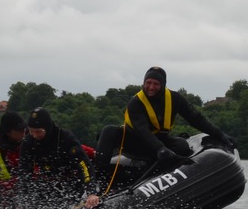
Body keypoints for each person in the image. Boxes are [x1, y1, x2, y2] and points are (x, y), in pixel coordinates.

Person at [94, 66, 236, 175]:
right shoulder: (136, 103)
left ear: (163, 85)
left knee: (182, 145)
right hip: (134, 142)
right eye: (148, 83)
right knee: (108, 131)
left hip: (158, 142)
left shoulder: (175, 99)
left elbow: (196, 119)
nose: (151, 87)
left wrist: (221, 135)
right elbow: (142, 130)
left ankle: (154, 173)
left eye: (156, 84)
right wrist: (160, 148)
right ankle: (100, 177)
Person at [11, 107, 100, 209]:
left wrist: (91, 192)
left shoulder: (65, 138)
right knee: (36, 206)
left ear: (47, 128)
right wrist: (20, 206)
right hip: (48, 183)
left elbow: (84, 165)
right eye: (31, 131)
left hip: (72, 182)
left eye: (38, 132)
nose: (35, 135)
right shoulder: (28, 142)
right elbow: (24, 175)